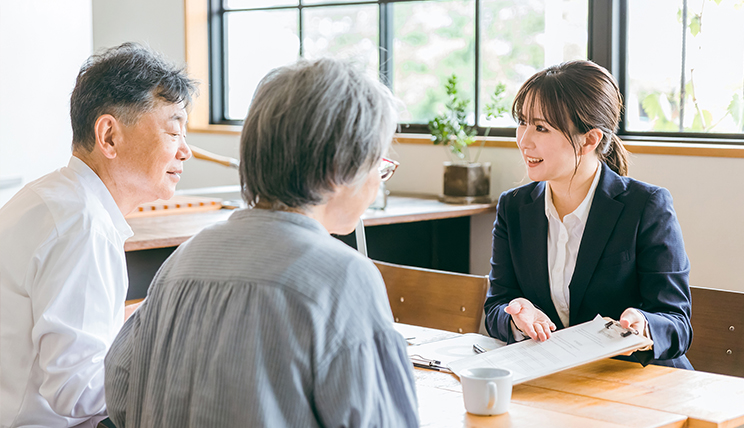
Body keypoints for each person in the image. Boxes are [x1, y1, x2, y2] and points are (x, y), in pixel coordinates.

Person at [104, 58, 419, 427]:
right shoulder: (344, 277)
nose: (378, 182)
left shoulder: (183, 260)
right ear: (339, 169)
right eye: (377, 165)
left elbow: (120, 395)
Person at [0, 42, 197, 427]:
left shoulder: (52, 197)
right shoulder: (82, 226)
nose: (185, 151)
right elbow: (76, 389)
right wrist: (176, 364)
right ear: (109, 136)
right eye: (173, 131)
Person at [483, 60, 693, 369]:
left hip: (639, 381)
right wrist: (517, 316)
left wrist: (643, 324)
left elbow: (677, 322)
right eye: (522, 122)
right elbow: (496, 306)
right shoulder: (513, 208)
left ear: (589, 139)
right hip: (557, 379)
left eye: (541, 127)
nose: (523, 139)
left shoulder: (646, 205)